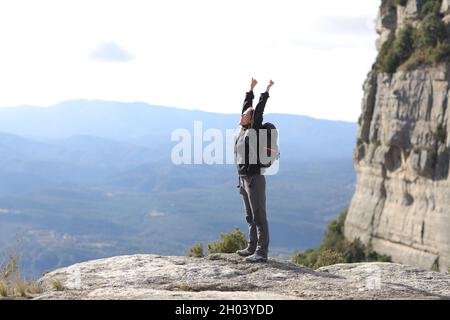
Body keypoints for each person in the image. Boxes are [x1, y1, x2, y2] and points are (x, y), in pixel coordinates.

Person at [234, 78, 275, 263]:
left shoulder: (254, 128)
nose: (241, 116)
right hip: (243, 178)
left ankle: (261, 252)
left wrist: (265, 92)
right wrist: (250, 90)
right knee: (249, 215)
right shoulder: (242, 130)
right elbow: (247, 106)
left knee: (259, 216)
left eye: (245, 115)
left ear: (250, 119)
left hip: (254, 178)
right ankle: (252, 246)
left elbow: (257, 111)